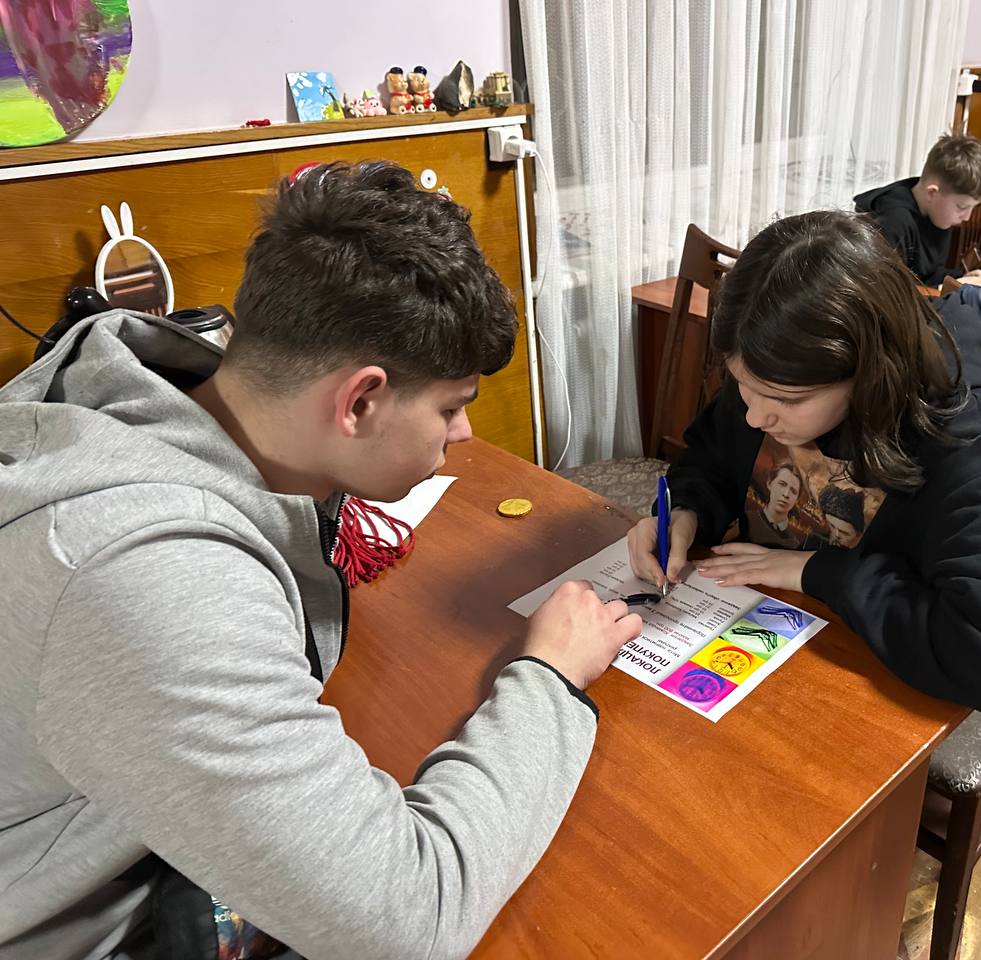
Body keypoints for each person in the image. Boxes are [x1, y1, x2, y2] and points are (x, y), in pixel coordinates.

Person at [0, 160, 642, 960]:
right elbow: (408, 921)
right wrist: (548, 677)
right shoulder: (152, 580)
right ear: (359, 401)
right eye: (452, 407)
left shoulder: (130, 390)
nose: (463, 436)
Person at [625, 210, 981, 718]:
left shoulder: (967, 452)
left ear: (869, 373)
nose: (755, 416)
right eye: (742, 385)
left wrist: (819, 573)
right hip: (761, 636)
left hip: (869, 680)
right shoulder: (769, 373)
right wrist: (686, 511)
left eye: (786, 400)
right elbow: (710, 458)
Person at [855, 133, 981, 290]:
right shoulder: (893, 221)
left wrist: (961, 278)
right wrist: (952, 288)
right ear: (932, 192)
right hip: (896, 299)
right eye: (962, 207)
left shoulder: (937, 212)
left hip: (922, 295)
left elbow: (929, 275)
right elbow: (889, 294)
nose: (967, 217)